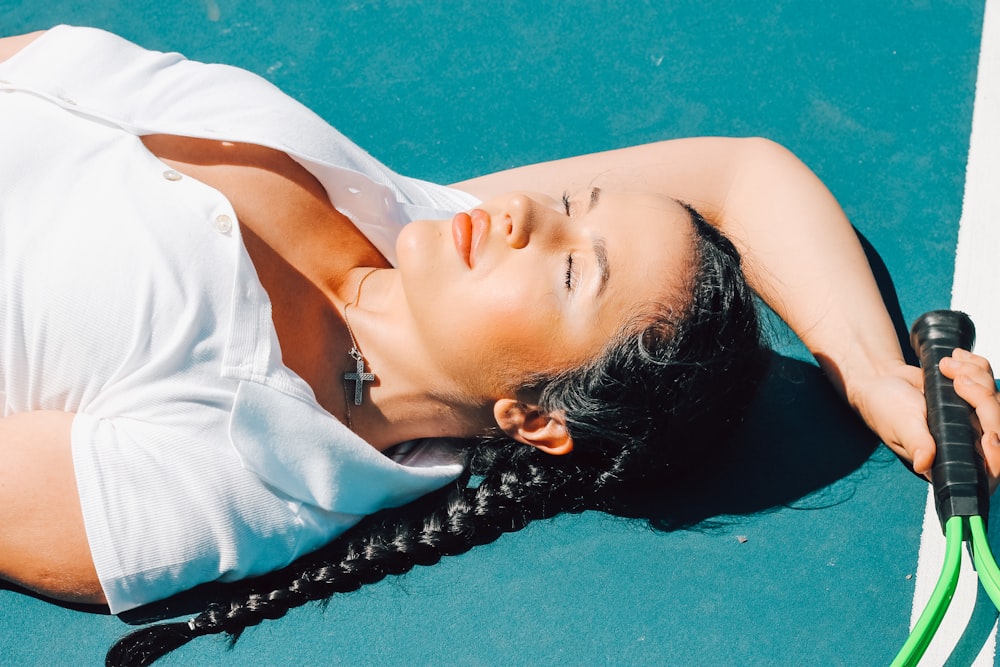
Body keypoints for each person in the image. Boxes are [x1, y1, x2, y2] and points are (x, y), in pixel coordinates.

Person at [0, 25, 997, 667]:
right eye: (569, 206)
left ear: (533, 414)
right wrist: (871, 371)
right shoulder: (416, 220)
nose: (524, 211)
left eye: (571, 267)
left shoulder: (223, 477)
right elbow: (737, 175)